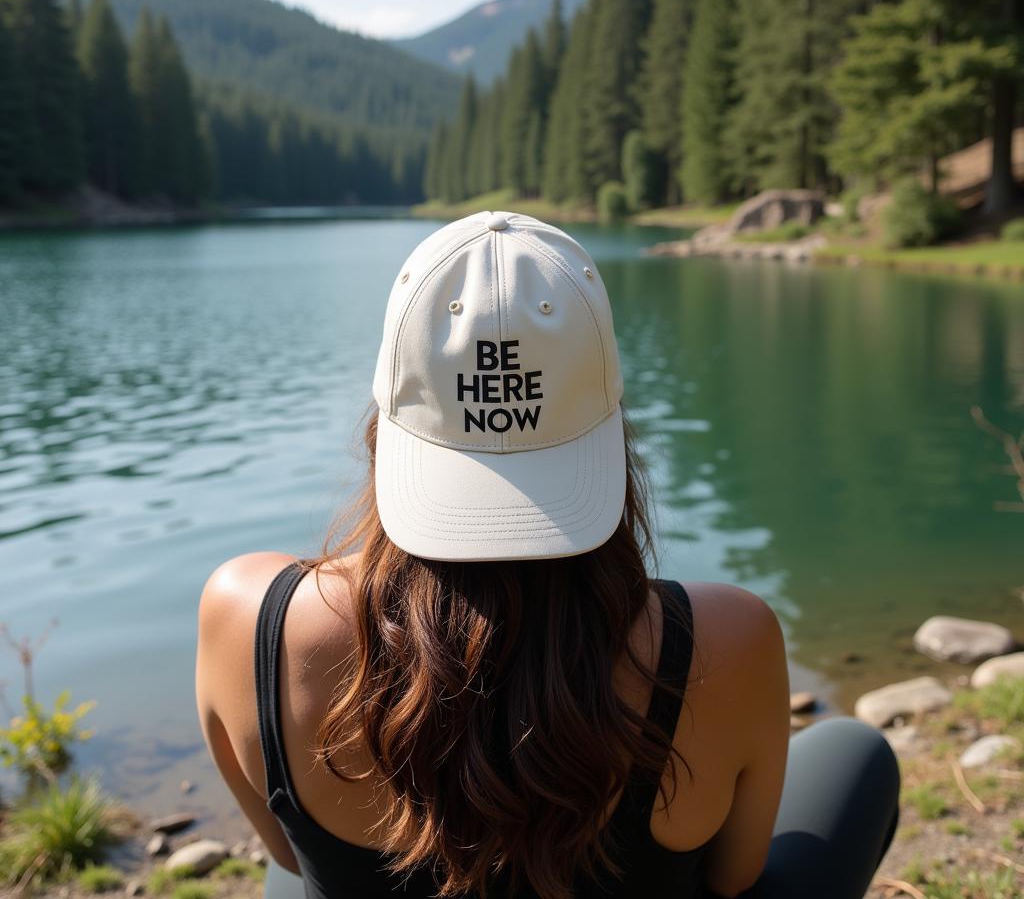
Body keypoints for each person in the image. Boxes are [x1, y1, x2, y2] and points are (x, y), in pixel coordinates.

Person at [195, 213, 900, 899]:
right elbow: (734, 878)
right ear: (612, 432)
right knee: (855, 757)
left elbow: (286, 852)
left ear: (386, 423)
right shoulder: (725, 640)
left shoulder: (249, 617)